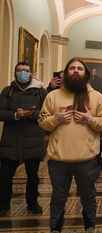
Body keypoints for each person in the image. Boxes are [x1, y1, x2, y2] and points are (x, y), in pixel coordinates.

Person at [38, 57, 102, 233]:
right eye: (72, 68)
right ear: (66, 73)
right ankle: (55, 232)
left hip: (86, 159)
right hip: (58, 160)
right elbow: (42, 122)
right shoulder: (53, 96)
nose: (76, 71)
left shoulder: (97, 97)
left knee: (88, 196)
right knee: (58, 197)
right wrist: (56, 119)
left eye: (79, 68)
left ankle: (90, 230)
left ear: (85, 74)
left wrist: (89, 119)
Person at [0, 61, 47, 216]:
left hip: (33, 141)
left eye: (26, 70)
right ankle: (3, 204)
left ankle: (32, 203)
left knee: (33, 176)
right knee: (5, 176)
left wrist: (30, 114)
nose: (23, 73)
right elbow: (1, 112)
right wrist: (15, 115)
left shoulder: (40, 92)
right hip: (10, 141)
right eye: (20, 70)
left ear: (31, 73)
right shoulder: (7, 91)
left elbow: (45, 113)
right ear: (15, 73)